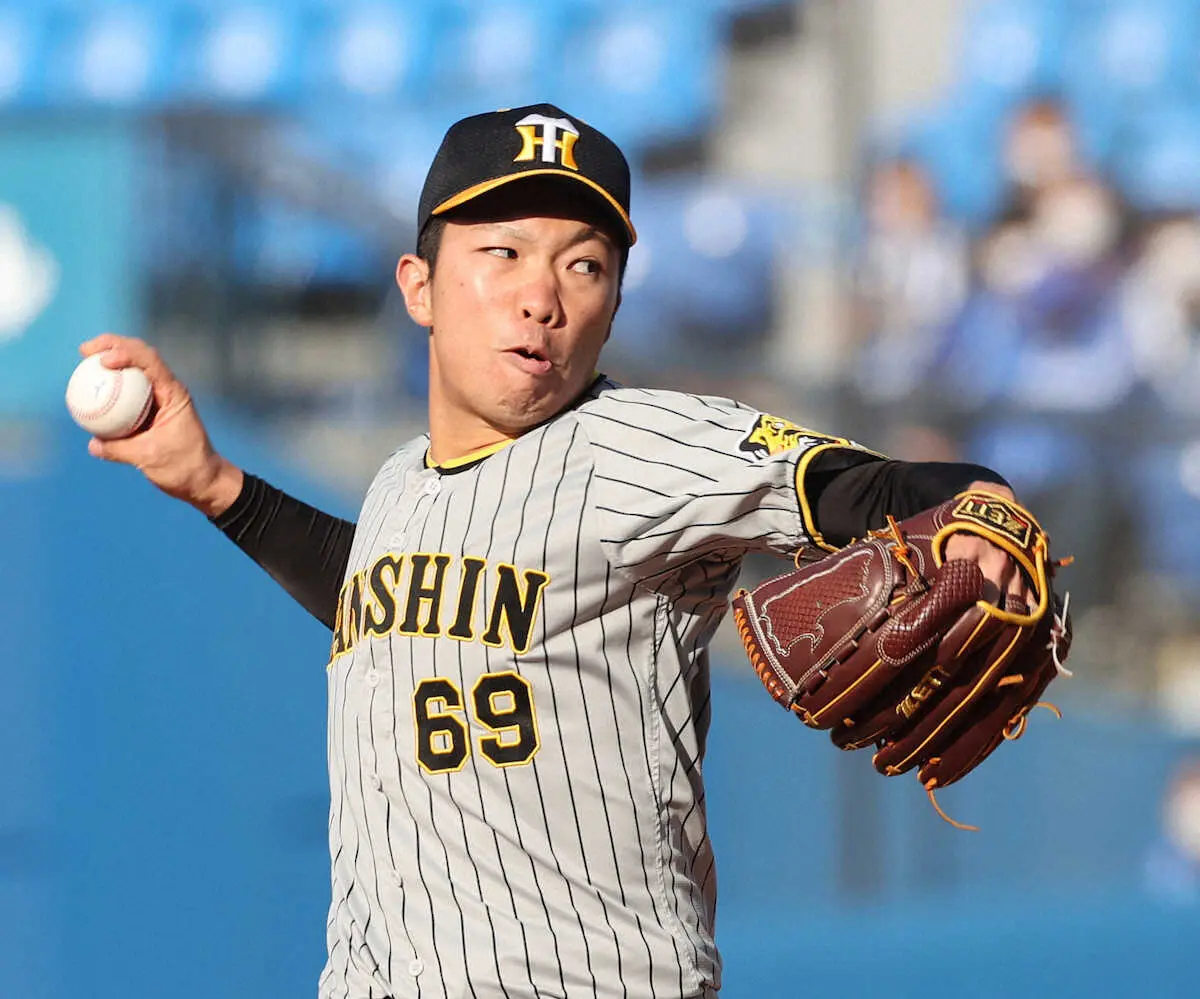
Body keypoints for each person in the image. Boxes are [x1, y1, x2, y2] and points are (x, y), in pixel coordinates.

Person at [82, 103, 1035, 999]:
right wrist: (218, 487)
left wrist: (974, 504)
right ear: (418, 286)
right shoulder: (400, 481)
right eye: (503, 252)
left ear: (612, 307)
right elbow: (389, 592)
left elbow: (874, 486)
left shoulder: (645, 447)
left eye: (585, 265)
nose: (542, 296)